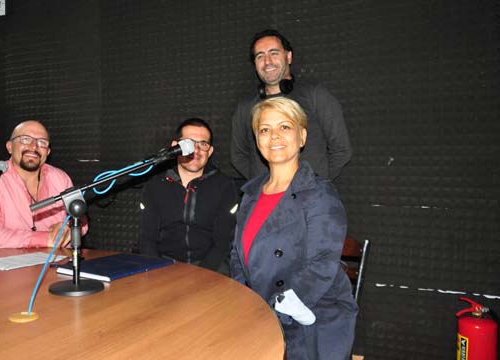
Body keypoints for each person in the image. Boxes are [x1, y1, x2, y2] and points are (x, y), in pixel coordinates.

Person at [230, 97, 357, 360]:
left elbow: (322, 263)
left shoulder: (320, 194)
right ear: (257, 140)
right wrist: (243, 301)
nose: (274, 135)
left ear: (302, 137)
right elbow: (237, 256)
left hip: (312, 315)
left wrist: (274, 309)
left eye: (285, 126)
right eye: (264, 129)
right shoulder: (250, 194)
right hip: (260, 310)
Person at [231, 29, 352, 181]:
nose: (267, 61)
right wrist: (261, 182)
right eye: (260, 56)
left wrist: (316, 183)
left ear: (288, 57)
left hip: (308, 194)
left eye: (274, 53)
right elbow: (238, 156)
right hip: (265, 194)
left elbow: (341, 149)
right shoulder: (245, 107)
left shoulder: (315, 95)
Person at [139, 118, 238, 274]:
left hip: (210, 269)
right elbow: (147, 239)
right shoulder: (155, 185)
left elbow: (223, 243)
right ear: (175, 147)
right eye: (189, 143)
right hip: (164, 266)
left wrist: (199, 276)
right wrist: (158, 272)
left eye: (203, 144)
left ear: (210, 151)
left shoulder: (225, 186)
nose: (196, 150)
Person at [0, 120, 86, 248]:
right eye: (25, 139)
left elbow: (82, 220)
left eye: (42, 142)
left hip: (60, 258)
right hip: (12, 260)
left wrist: (70, 227)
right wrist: (45, 239)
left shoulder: (61, 178)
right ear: (10, 147)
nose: (34, 147)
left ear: (48, 152)